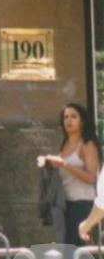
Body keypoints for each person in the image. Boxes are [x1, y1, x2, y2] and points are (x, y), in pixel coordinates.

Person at [42, 103, 100, 246]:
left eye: (74, 116)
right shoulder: (65, 144)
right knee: (69, 252)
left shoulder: (88, 144)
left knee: (83, 255)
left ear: (82, 121)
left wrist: (64, 164)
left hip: (83, 205)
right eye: (65, 117)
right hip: (65, 205)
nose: (69, 120)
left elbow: (92, 177)